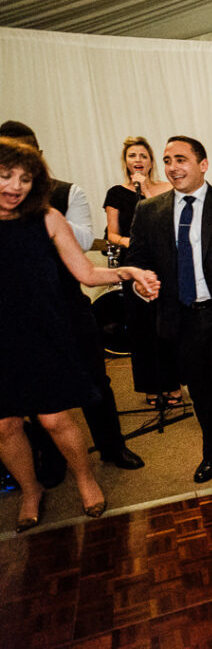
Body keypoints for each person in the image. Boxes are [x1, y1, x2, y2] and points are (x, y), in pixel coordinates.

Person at [0, 137, 159, 531]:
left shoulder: (48, 218)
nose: (15, 186)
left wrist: (127, 271)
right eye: (5, 176)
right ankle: (31, 489)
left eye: (24, 178)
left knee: (54, 418)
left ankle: (86, 479)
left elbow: (86, 274)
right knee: (5, 424)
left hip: (42, 333)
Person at [124, 136, 212, 503]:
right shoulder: (149, 211)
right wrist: (142, 286)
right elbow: (140, 262)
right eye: (168, 160)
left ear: (203, 165)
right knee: (200, 391)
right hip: (181, 316)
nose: (173, 167)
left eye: (182, 159)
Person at [103, 136, 180, 407]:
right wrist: (133, 243)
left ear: (151, 161)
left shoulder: (164, 188)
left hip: (165, 264)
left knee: (167, 323)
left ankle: (173, 384)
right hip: (134, 264)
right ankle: (151, 386)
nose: (138, 161)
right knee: (142, 327)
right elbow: (112, 234)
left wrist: (146, 190)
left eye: (143, 156)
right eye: (133, 156)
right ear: (126, 161)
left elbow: (171, 222)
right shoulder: (116, 193)